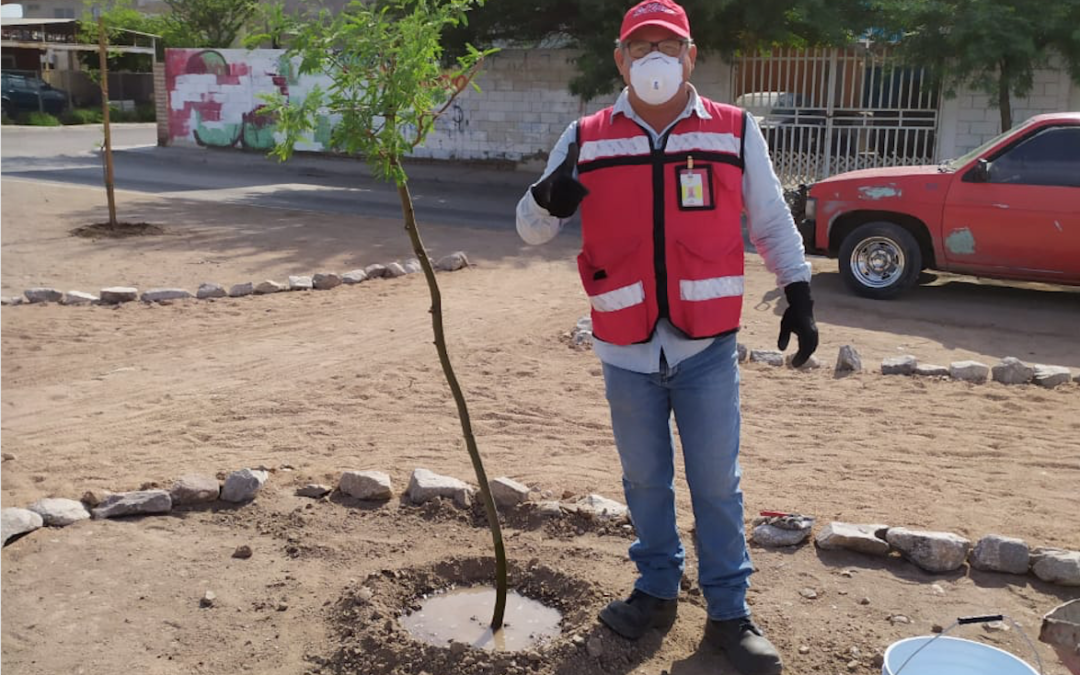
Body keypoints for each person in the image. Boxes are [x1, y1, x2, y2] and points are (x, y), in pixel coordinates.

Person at [514, 1, 818, 673]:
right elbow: (529, 227)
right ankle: (655, 590)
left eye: (667, 44)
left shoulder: (735, 131)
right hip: (624, 345)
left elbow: (769, 218)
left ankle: (729, 615)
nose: (654, 55)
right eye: (640, 44)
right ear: (620, 59)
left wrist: (797, 289)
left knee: (715, 481)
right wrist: (546, 202)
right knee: (645, 479)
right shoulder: (586, 136)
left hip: (706, 345)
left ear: (689, 55)